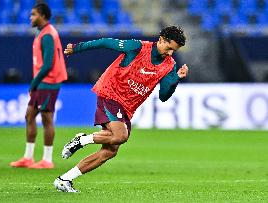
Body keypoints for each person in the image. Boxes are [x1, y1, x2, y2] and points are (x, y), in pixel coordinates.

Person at [54, 26, 188, 192]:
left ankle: (65, 179)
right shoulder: (137, 48)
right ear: (161, 39)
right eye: (168, 48)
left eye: (173, 51)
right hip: (110, 93)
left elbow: (163, 96)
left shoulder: (169, 65)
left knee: (111, 150)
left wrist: (175, 80)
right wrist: (76, 48)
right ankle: (81, 140)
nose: (169, 53)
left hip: (127, 107)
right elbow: (105, 42)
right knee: (120, 135)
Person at [10, 3, 67, 169]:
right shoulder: (43, 33)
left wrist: (33, 83)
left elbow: (48, 64)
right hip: (43, 82)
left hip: (49, 82)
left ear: (42, 15)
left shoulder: (48, 34)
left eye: (33, 14)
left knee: (46, 118)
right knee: (29, 115)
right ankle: (28, 157)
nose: (30, 17)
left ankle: (47, 160)